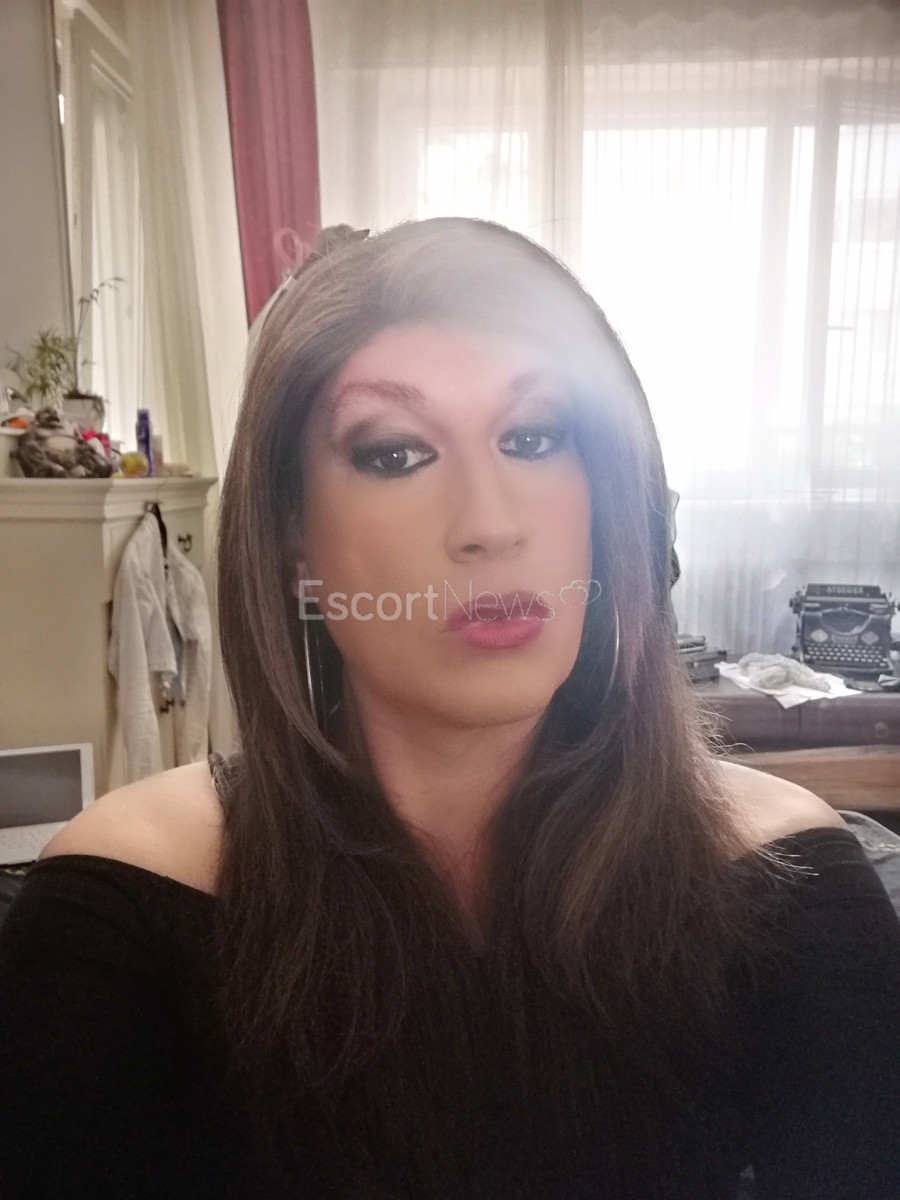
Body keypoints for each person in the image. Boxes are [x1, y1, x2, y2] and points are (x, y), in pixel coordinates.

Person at [1, 218, 899, 1200]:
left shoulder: (790, 880)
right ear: (295, 541)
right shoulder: (124, 904)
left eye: (534, 438)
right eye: (396, 453)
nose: (490, 524)